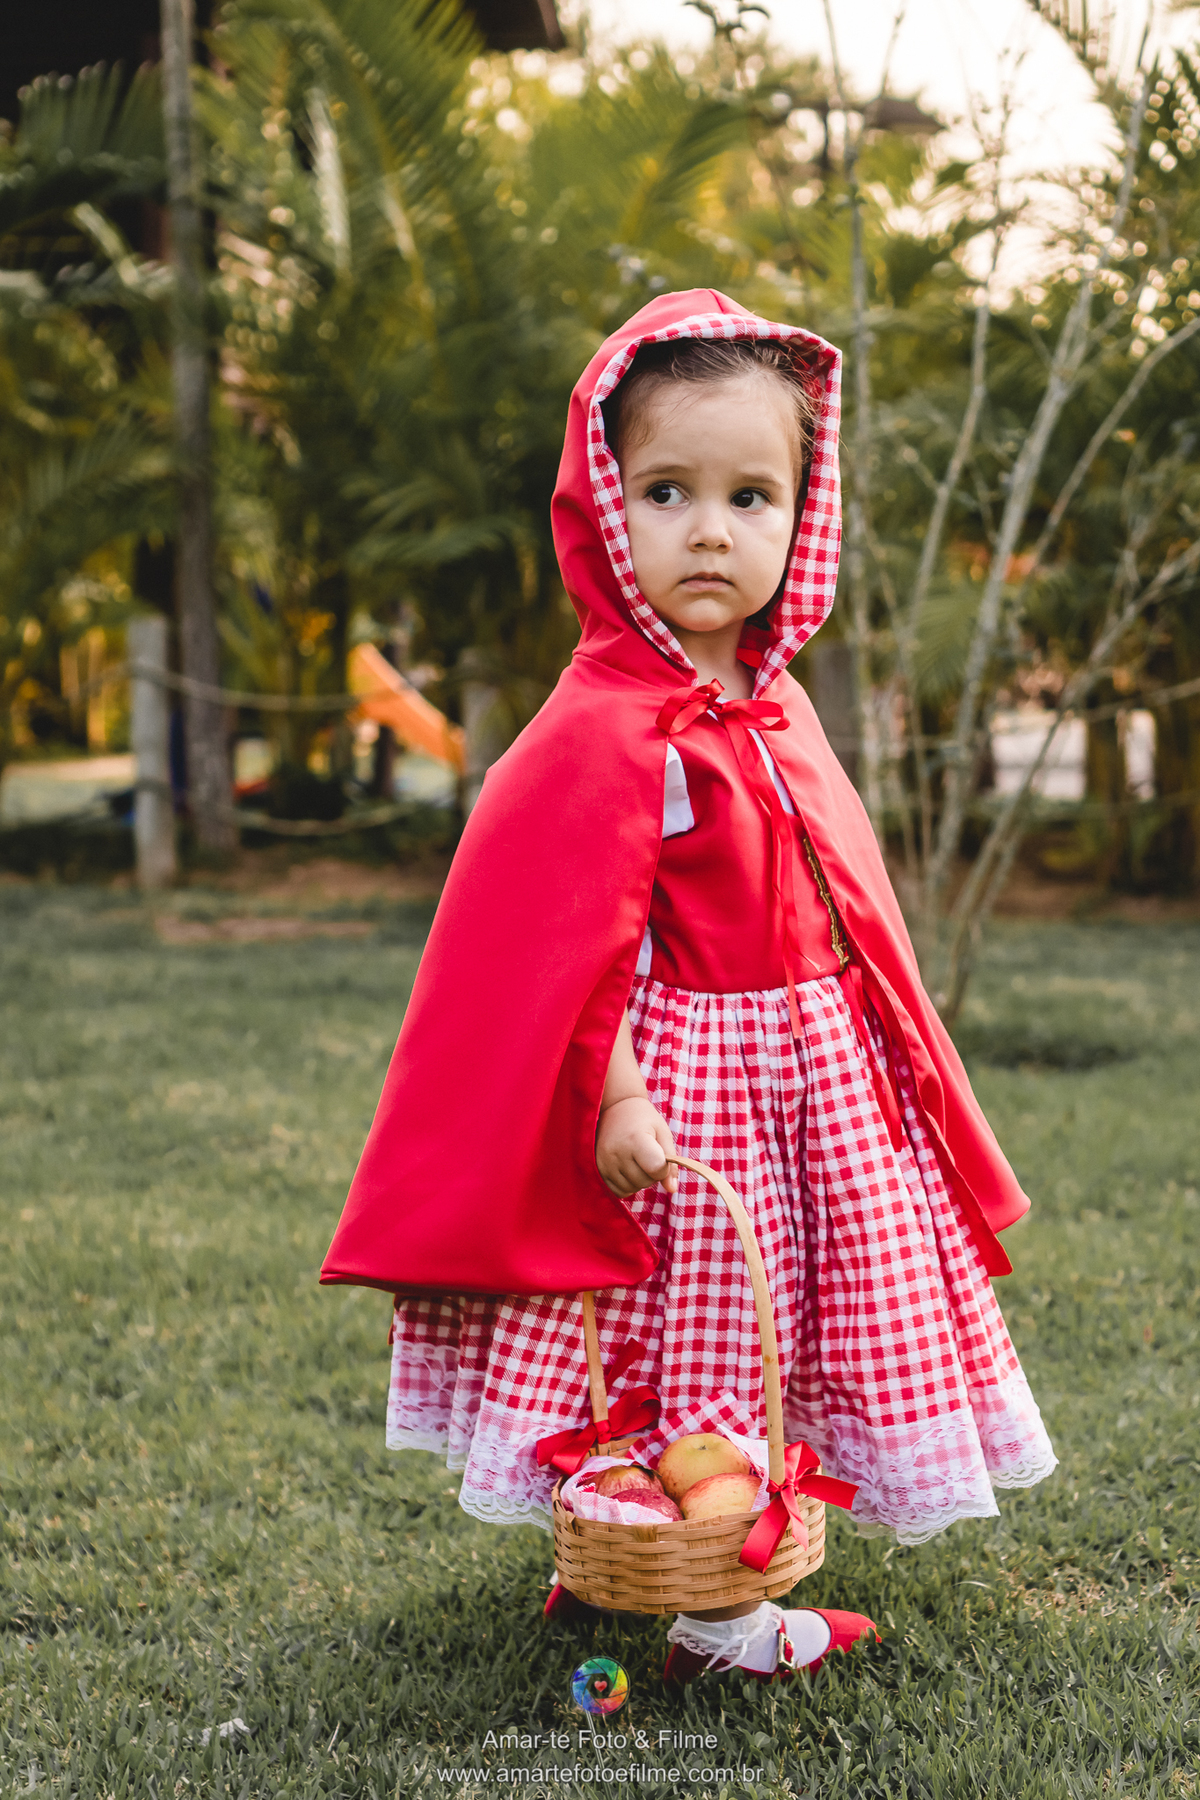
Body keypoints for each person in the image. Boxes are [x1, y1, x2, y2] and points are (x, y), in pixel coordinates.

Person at [320, 290, 1056, 1686]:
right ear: (607, 507)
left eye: (750, 495)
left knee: (776, 1318)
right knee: (687, 1319)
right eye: (668, 491)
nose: (713, 529)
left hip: (808, 1080)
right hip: (680, 1089)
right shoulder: (601, 726)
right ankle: (718, 1611)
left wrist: (886, 1055)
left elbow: (841, 899)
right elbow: (556, 942)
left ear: (800, 515)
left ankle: (645, 1525)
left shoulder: (773, 704)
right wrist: (610, 1092)